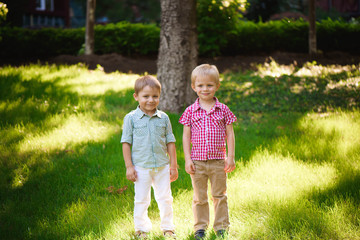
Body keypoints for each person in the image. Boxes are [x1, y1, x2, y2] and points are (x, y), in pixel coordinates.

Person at [179, 64, 236, 239]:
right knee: (199, 197)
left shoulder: (223, 109)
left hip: (218, 161)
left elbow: (230, 133)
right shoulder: (190, 111)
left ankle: (221, 227)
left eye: (209, 85)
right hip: (197, 162)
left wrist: (230, 157)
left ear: (217, 86)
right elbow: (186, 137)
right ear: (194, 87)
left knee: (219, 195)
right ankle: (200, 228)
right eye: (201, 85)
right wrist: (187, 159)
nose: (205, 89)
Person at [121, 75, 178, 239]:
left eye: (155, 96)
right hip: (141, 167)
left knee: (165, 198)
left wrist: (173, 165)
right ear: (136, 97)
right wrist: (129, 166)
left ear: (159, 97)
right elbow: (126, 142)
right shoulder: (131, 118)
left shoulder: (164, 118)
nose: (150, 100)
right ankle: (141, 229)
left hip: (162, 166)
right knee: (141, 199)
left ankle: (168, 228)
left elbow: (170, 142)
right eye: (146, 96)